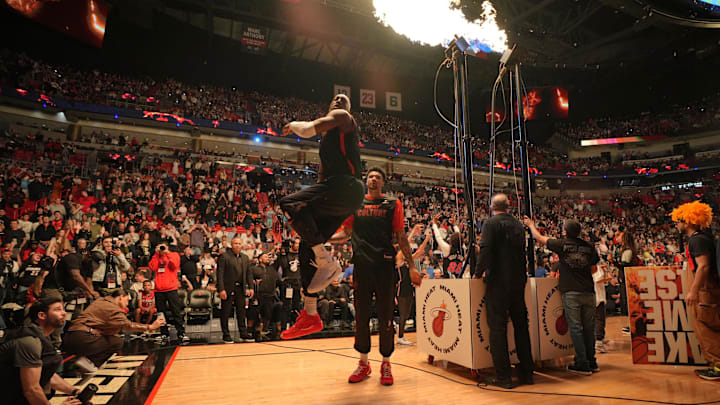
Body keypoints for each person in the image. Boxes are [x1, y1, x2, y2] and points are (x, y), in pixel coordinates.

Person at [279, 93, 365, 340]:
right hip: (339, 195)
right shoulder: (327, 145)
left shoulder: (342, 117)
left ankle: (325, 260)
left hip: (345, 186)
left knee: (288, 202)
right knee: (306, 245)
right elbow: (321, 178)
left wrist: (292, 125)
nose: (339, 99)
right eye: (336, 98)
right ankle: (310, 313)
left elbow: (307, 130)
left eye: (344, 99)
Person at [329, 168, 423, 386]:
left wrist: (411, 267)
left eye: (377, 177)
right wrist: (323, 237)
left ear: (383, 183)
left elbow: (401, 236)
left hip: (384, 267)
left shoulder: (393, 205)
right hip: (362, 267)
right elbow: (346, 233)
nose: (373, 179)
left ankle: (386, 363)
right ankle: (363, 363)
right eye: (370, 176)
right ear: (366, 180)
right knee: (361, 316)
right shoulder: (356, 204)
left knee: (386, 317)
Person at [524, 216, 599, 376]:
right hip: (588, 291)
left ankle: (582, 363)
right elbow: (594, 269)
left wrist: (530, 224)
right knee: (589, 328)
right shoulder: (589, 246)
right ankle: (592, 362)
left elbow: (538, 237)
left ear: (565, 232)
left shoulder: (562, 244)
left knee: (576, 328)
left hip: (571, 291)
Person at [475, 194, 534, 388]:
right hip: (518, 280)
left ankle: (504, 377)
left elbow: (485, 251)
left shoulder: (490, 224)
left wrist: (477, 273)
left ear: (491, 207)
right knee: (521, 326)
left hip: (498, 281)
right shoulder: (518, 225)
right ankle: (527, 373)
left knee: (498, 328)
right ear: (508, 207)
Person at [0, 297, 83, 405]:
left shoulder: (42, 337)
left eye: (63, 309)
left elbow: (46, 372)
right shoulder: (29, 341)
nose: (64, 313)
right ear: (42, 315)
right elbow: (32, 390)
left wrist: (74, 391)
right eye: (57, 309)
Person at [671, 201, 720, 381]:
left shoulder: (697, 240)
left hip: (705, 291)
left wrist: (693, 290)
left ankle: (718, 366)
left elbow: (703, 267)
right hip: (707, 290)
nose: (677, 225)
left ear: (688, 221)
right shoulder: (703, 237)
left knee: (707, 330)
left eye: (679, 221)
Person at [63, 289, 165, 373]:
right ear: (120, 297)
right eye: (127, 300)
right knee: (117, 342)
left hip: (70, 336)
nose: (127, 304)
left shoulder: (100, 301)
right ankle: (90, 361)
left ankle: (81, 360)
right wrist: (150, 327)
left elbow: (110, 327)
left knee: (111, 337)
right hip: (82, 338)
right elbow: (127, 326)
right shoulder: (114, 309)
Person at [148, 244, 189, 344]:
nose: (161, 249)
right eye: (160, 247)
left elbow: (174, 265)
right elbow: (152, 267)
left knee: (176, 311)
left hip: (171, 289)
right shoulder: (157, 256)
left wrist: (167, 253)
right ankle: (164, 334)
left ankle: (181, 333)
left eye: (163, 247)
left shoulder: (173, 254)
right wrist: (156, 254)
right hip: (158, 289)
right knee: (161, 313)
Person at [217, 236, 254, 343]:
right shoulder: (224, 256)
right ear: (231, 245)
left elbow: (249, 274)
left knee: (241, 312)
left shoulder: (245, 257)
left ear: (241, 245)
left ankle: (243, 333)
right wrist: (221, 289)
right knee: (226, 312)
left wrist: (251, 287)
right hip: (228, 289)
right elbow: (220, 274)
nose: (237, 245)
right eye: (235, 243)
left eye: (239, 243)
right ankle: (226, 334)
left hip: (240, 288)